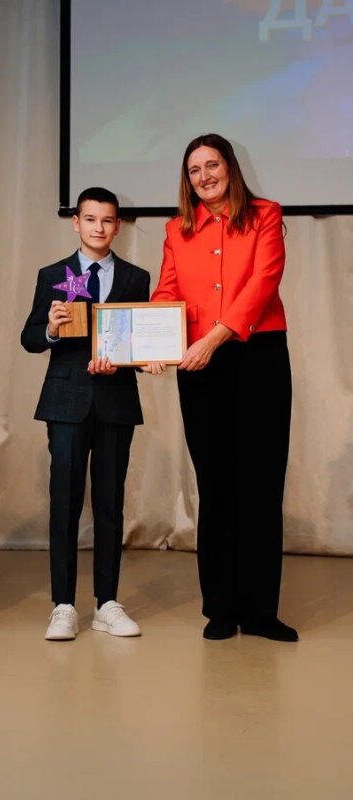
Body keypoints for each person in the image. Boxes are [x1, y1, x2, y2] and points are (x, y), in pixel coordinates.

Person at [147, 133, 298, 642]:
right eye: (194, 170)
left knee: (260, 483)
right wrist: (154, 343)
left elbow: (263, 282)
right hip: (198, 364)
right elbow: (167, 291)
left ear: (230, 167)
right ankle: (221, 609)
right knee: (215, 485)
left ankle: (260, 612)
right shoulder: (177, 228)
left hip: (257, 357)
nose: (204, 176)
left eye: (212, 165)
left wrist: (213, 338)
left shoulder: (265, 214)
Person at [21, 187, 150, 640]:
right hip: (65, 402)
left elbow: (140, 338)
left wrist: (135, 359)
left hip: (116, 402)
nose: (99, 227)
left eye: (107, 220)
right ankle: (62, 605)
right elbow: (30, 337)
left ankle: (107, 603)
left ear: (118, 226)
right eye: (90, 219)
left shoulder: (136, 277)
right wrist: (52, 329)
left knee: (111, 504)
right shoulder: (52, 274)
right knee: (65, 503)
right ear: (76, 222)